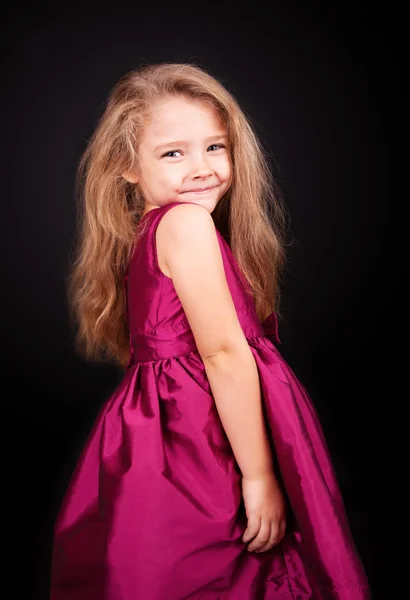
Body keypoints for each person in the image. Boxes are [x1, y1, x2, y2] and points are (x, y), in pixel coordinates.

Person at [50, 62, 371, 599]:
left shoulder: (153, 229)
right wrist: (259, 476)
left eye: (215, 148)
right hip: (202, 438)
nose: (202, 168)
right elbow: (222, 353)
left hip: (169, 430)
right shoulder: (185, 223)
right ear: (127, 167)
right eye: (173, 153)